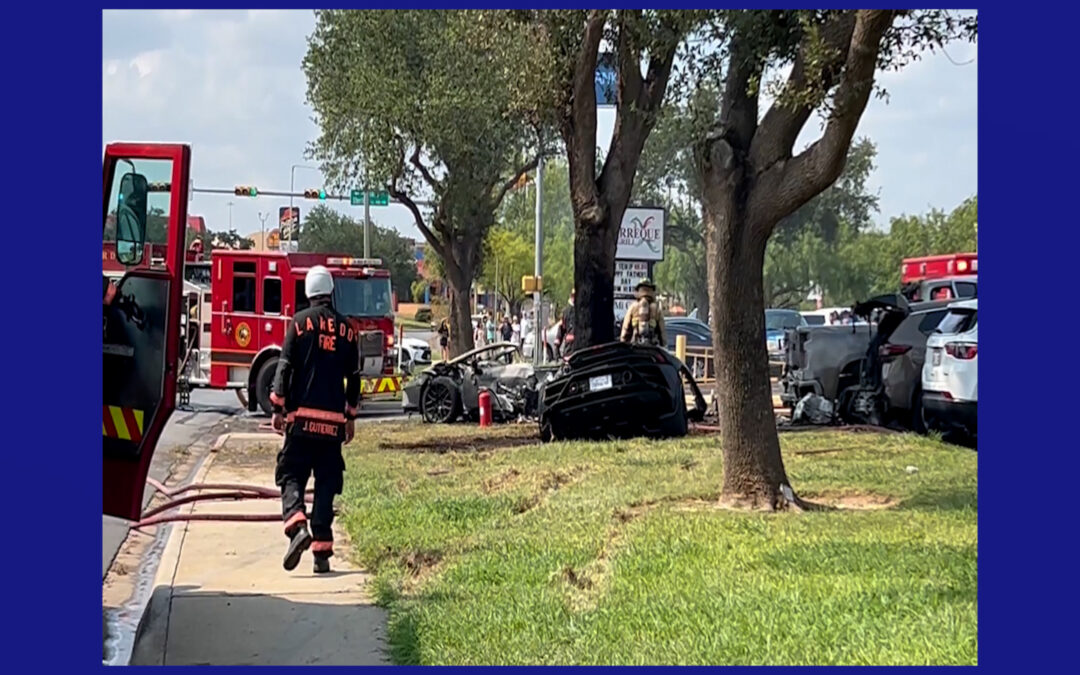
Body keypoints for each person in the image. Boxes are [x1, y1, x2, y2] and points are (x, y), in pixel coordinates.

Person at [270, 265, 361, 574]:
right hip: (332, 425)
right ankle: (321, 553)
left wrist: (278, 408)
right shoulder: (348, 330)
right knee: (326, 482)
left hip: (300, 421)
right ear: (331, 291)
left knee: (291, 474)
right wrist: (349, 417)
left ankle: (297, 528)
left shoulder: (297, 324)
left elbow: (283, 369)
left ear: (308, 292)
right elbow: (354, 379)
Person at [620, 278, 666, 347]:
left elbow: (625, 329)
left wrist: (623, 344)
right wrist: (664, 346)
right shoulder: (656, 309)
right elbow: (662, 333)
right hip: (652, 349)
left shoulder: (633, 307)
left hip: (635, 349)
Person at [555, 290, 575, 356]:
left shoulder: (582, 310)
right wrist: (557, 345)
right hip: (570, 349)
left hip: (575, 348)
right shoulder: (566, 312)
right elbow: (561, 328)